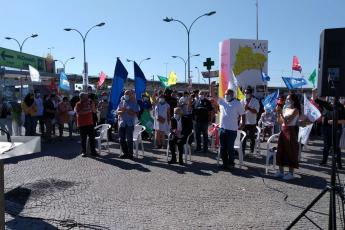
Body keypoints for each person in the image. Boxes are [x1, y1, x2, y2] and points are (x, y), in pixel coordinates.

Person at [212, 88, 245, 169]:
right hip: (222, 129)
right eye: (225, 94)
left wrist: (242, 124)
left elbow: (243, 115)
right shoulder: (222, 101)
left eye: (228, 94)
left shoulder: (237, 103)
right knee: (222, 147)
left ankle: (231, 163)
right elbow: (213, 95)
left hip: (232, 130)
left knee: (230, 148)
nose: (226, 95)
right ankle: (225, 163)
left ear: (232, 95)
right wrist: (212, 87)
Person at [274, 93, 301, 180]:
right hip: (283, 131)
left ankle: (291, 173)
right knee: (280, 151)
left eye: (289, 99)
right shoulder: (285, 109)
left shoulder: (296, 110)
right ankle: (281, 171)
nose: (287, 100)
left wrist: (280, 112)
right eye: (287, 99)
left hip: (291, 131)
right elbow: (280, 122)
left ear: (293, 100)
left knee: (290, 151)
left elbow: (288, 122)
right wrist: (278, 113)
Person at [315, 95, 345, 169]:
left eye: (333, 97)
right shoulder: (326, 104)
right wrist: (315, 90)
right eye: (330, 96)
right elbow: (315, 99)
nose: (331, 98)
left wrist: (334, 121)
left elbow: (344, 120)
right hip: (326, 129)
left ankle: (339, 164)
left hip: (336, 129)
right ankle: (324, 161)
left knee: (336, 147)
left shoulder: (341, 107)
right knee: (326, 146)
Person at [117, 89, 139, 159]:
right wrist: (121, 111)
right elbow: (117, 112)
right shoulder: (121, 102)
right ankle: (125, 153)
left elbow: (136, 113)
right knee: (121, 139)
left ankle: (130, 154)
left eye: (128, 94)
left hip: (129, 123)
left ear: (130, 95)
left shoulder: (134, 103)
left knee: (129, 139)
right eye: (125, 94)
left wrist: (130, 112)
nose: (126, 95)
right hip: (122, 123)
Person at [75, 92, 98, 157]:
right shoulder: (78, 104)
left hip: (90, 123)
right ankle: (84, 152)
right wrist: (88, 110)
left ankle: (93, 151)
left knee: (92, 138)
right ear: (81, 97)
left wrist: (92, 105)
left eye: (87, 96)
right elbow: (79, 113)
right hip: (82, 124)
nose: (87, 98)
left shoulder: (89, 103)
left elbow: (94, 111)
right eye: (85, 96)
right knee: (83, 139)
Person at [241, 87, 260, 155]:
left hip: (252, 122)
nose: (246, 94)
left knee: (252, 138)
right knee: (243, 137)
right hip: (244, 122)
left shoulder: (255, 101)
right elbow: (240, 111)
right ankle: (242, 151)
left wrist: (248, 108)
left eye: (247, 93)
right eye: (245, 93)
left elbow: (256, 111)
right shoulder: (242, 101)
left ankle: (251, 151)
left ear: (251, 94)